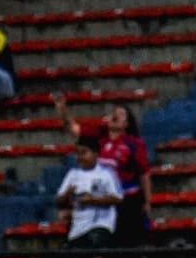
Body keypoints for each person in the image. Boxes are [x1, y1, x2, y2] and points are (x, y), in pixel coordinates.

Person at [55, 95, 152, 249]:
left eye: (120, 114)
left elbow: (143, 173)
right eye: (114, 112)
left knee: (127, 242)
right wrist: (63, 109)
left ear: (126, 123)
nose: (115, 115)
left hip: (127, 199)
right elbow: (73, 128)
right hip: (101, 199)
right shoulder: (99, 137)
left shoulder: (133, 143)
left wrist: (147, 201)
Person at [56, 134, 124, 258]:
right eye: (78, 153)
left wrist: (93, 200)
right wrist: (67, 194)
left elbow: (118, 197)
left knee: (95, 245)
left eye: (84, 153)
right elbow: (59, 200)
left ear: (95, 154)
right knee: (72, 254)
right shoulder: (73, 174)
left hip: (102, 220)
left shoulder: (106, 173)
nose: (80, 157)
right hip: (79, 224)